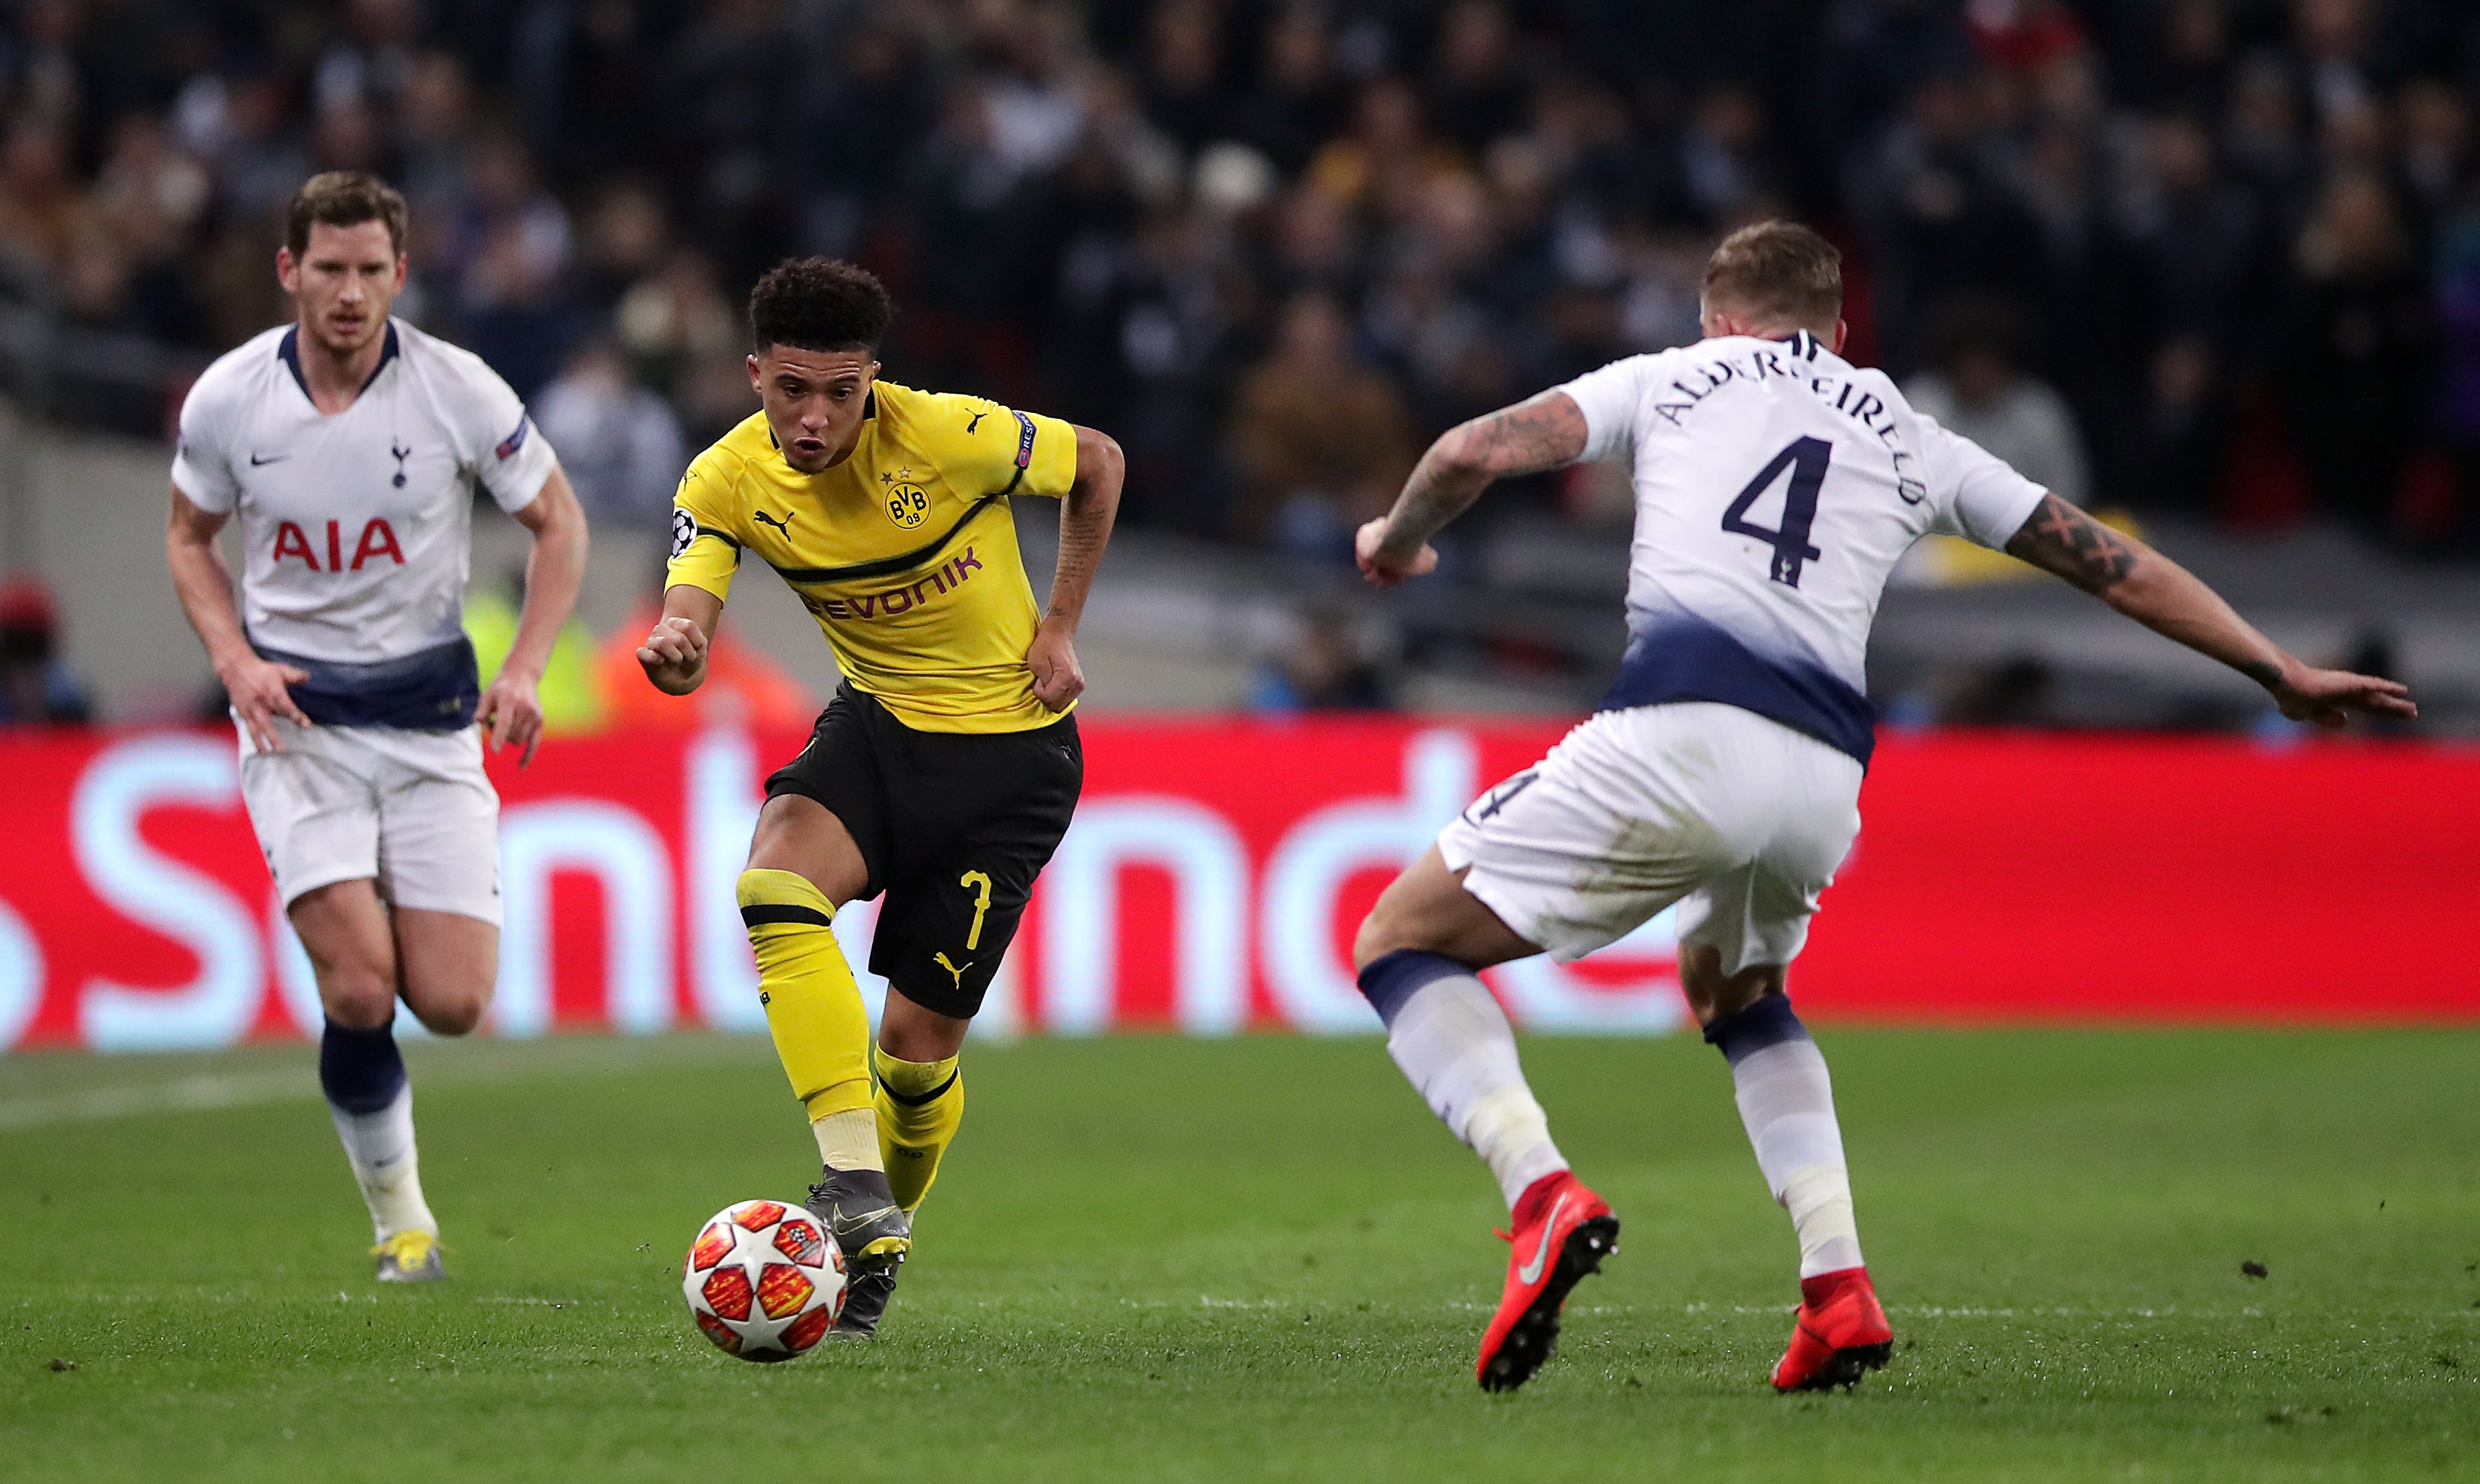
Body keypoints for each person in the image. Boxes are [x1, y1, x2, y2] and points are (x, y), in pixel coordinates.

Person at [1346, 220, 2414, 1395]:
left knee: (1399, 939)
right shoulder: (1910, 433)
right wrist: (2276, 670)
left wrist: (1396, 546)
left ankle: (1538, 1189)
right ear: (1839, 331)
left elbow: (1463, 452)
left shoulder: (1665, 378)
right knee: (1739, 991)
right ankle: (1835, 1288)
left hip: (1678, 729)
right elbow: (2113, 561)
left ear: (1716, 317)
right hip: (1819, 777)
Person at [637, 258, 1123, 1337]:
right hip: (879, 729)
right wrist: (679, 646)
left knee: (914, 1057)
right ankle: (852, 1183)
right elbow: (689, 606)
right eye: (791, 391)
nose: (815, 419)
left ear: (873, 380)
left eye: (841, 393)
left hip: (1010, 767)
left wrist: (1060, 622)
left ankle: (883, 1230)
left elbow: (1098, 462)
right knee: (772, 885)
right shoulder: (723, 479)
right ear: (755, 374)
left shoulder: (949, 435)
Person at [164, 171, 588, 1283]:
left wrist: (530, 665)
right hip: (298, 726)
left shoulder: (457, 390)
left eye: (369, 271)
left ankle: (389, 919)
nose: (348, 293)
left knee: (450, 1003)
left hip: (433, 721)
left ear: (401, 275)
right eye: (328, 269)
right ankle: (404, 1229)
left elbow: (558, 522)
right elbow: (186, 538)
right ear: (288, 271)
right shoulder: (229, 400)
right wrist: (233, 659)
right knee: (359, 988)